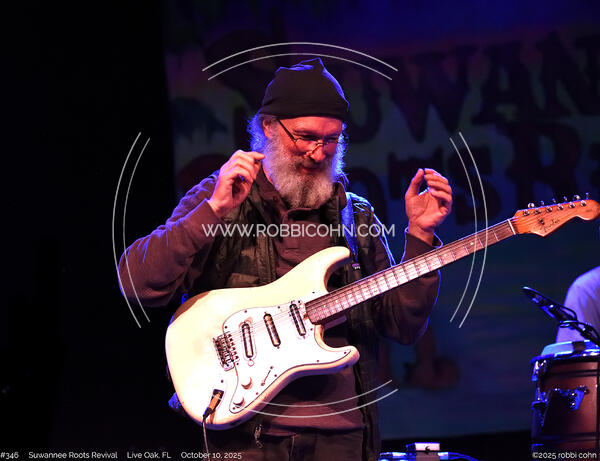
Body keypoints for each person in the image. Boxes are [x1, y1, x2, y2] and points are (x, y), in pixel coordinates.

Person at [119, 58, 453, 461]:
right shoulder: (221, 196)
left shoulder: (357, 216)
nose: (317, 152)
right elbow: (139, 284)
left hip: (344, 437)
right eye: (306, 137)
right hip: (249, 439)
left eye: (331, 140)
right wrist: (212, 211)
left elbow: (402, 325)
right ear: (268, 127)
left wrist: (420, 236)